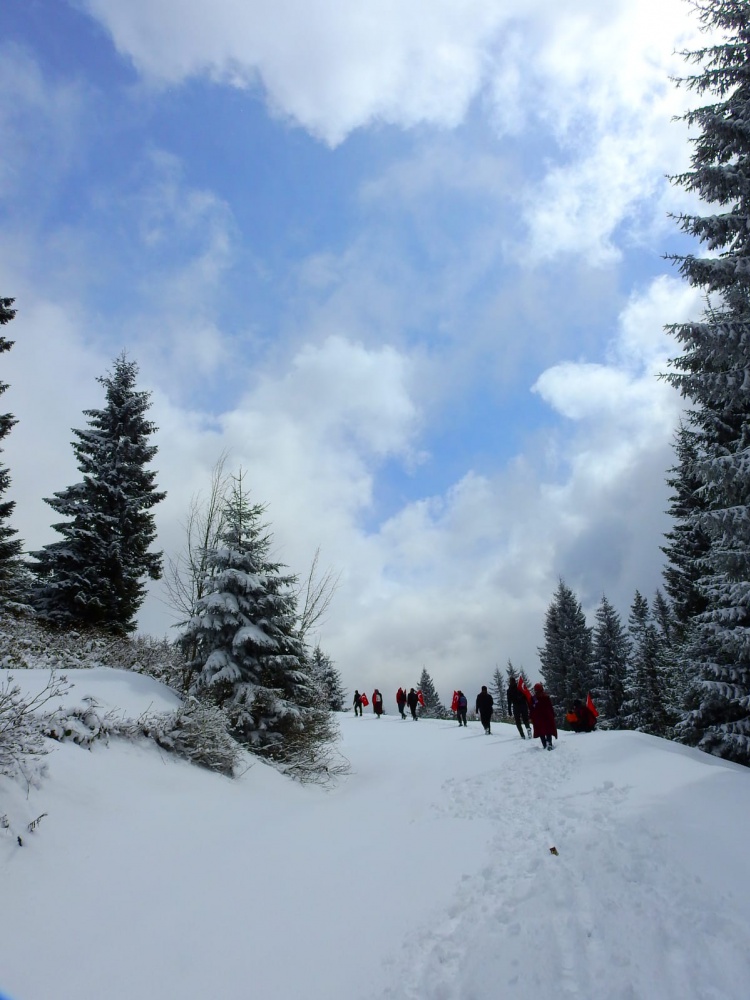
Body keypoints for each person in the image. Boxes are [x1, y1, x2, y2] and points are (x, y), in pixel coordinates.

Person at [530, 682, 557, 750]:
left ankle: (544, 744)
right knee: (548, 730)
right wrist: (553, 714)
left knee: (541, 731)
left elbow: (531, 708)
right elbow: (550, 707)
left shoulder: (533, 698)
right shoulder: (546, 697)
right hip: (547, 716)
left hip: (538, 717)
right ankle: (549, 744)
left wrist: (531, 716)